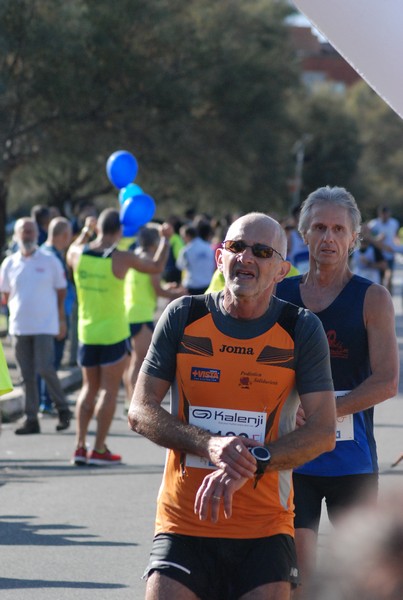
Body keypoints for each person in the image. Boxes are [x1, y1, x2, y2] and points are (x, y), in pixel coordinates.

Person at [128, 212, 336, 600]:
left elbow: (323, 433)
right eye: (237, 247)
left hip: (264, 528)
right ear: (220, 256)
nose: (246, 258)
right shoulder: (184, 316)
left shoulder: (300, 328)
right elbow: (140, 410)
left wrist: (252, 460)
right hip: (183, 522)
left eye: (261, 251)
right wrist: (209, 444)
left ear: (281, 270)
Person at [276, 186, 399, 597]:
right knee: (300, 575)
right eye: (319, 228)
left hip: (351, 460)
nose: (328, 237)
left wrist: (326, 411)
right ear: (303, 234)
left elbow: (386, 381)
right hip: (295, 456)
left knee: (363, 580)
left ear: (353, 238)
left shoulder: (372, 298)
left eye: (338, 229)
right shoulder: (282, 294)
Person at [67, 208, 171, 466]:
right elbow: (156, 266)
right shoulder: (121, 258)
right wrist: (166, 238)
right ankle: (99, 449)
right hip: (113, 332)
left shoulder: (77, 253)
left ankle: (80, 447)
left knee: (88, 389)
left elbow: (73, 248)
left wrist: (85, 231)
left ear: (99, 227)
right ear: (119, 231)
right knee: (108, 391)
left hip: (87, 331)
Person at [0, 217, 73, 434]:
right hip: (19, 327)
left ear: (37, 234)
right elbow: (4, 295)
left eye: (31, 231)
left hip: (44, 325)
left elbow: (61, 290)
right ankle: (31, 419)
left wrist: (61, 319)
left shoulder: (49, 260)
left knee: (45, 368)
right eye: (24, 231)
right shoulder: (9, 263)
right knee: (26, 375)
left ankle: (62, 409)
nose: (28, 235)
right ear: (17, 235)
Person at [123, 223, 187, 406]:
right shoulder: (149, 259)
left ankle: (130, 400)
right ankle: (132, 402)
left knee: (134, 360)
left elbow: (150, 288)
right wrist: (178, 294)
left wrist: (170, 289)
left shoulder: (136, 257)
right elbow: (158, 290)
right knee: (139, 360)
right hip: (140, 314)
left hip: (133, 311)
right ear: (154, 242)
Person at [39, 216, 75, 414]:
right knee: (50, 362)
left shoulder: (50, 254)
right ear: (64, 234)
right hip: (53, 318)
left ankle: (45, 400)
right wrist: (60, 319)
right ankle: (46, 401)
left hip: (51, 317)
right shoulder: (50, 257)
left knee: (47, 361)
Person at [176, 223, 216, 295]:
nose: (182, 239)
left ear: (187, 236)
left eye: (182, 236)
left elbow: (180, 266)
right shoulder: (208, 247)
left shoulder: (186, 251)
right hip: (208, 284)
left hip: (192, 286)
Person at [368, 205, 399, 293]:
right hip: (379, 254)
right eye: (383, 214)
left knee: (389, 277)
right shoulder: (373, 224)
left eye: (386, 213)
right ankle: (381, 297)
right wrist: (378, 238)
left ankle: (389, 298)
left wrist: (397, 245)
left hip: (390, 254)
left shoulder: (394, 223)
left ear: (389, 214)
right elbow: (369, 237)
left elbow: (395, 236)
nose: (385, 215)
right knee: (380, 279)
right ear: (379, 214)